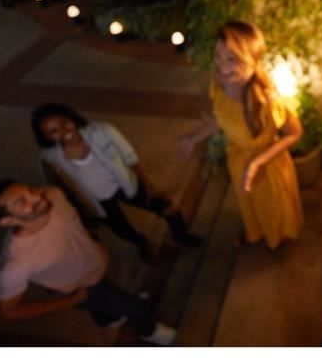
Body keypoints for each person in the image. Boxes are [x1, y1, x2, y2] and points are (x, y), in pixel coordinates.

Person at [0, 179, 177, 345]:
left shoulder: (54, 195)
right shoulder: (15, 265)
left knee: (108, 304)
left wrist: (89, 238)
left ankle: (109, 318)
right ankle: (150, 331)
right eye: (22, 202)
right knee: (136, 309)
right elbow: (7, 313)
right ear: (8, 221)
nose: (37, 197)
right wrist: (71, 300)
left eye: (29, 190)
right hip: (84, 288)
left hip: (96, 262)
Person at [178, 21, 303, 249]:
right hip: (238, 162)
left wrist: (257, 162)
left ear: (253, 61)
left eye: (232, 59)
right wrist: (193, 138)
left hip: (267, 168)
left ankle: (276, 241)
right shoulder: (220, 86)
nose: (222, 66)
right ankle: (255, 232)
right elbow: (222, 117)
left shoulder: (267, 101)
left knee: (270, 208)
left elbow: (294, 133)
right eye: (218, 56)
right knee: (249, 205)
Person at [31, 103, 200, 264]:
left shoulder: (102, 131)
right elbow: (58, 187)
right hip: (96, 200)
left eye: (64, 123)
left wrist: (148, 186)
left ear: (71, 117)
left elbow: (130, 157)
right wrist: (82, 212)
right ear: (46, 137)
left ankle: (180, 236)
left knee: (169, 209)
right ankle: (141, 242)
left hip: (126, 184)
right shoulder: (50, 158)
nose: (64, 131)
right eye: (53, 131)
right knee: (122, 230)